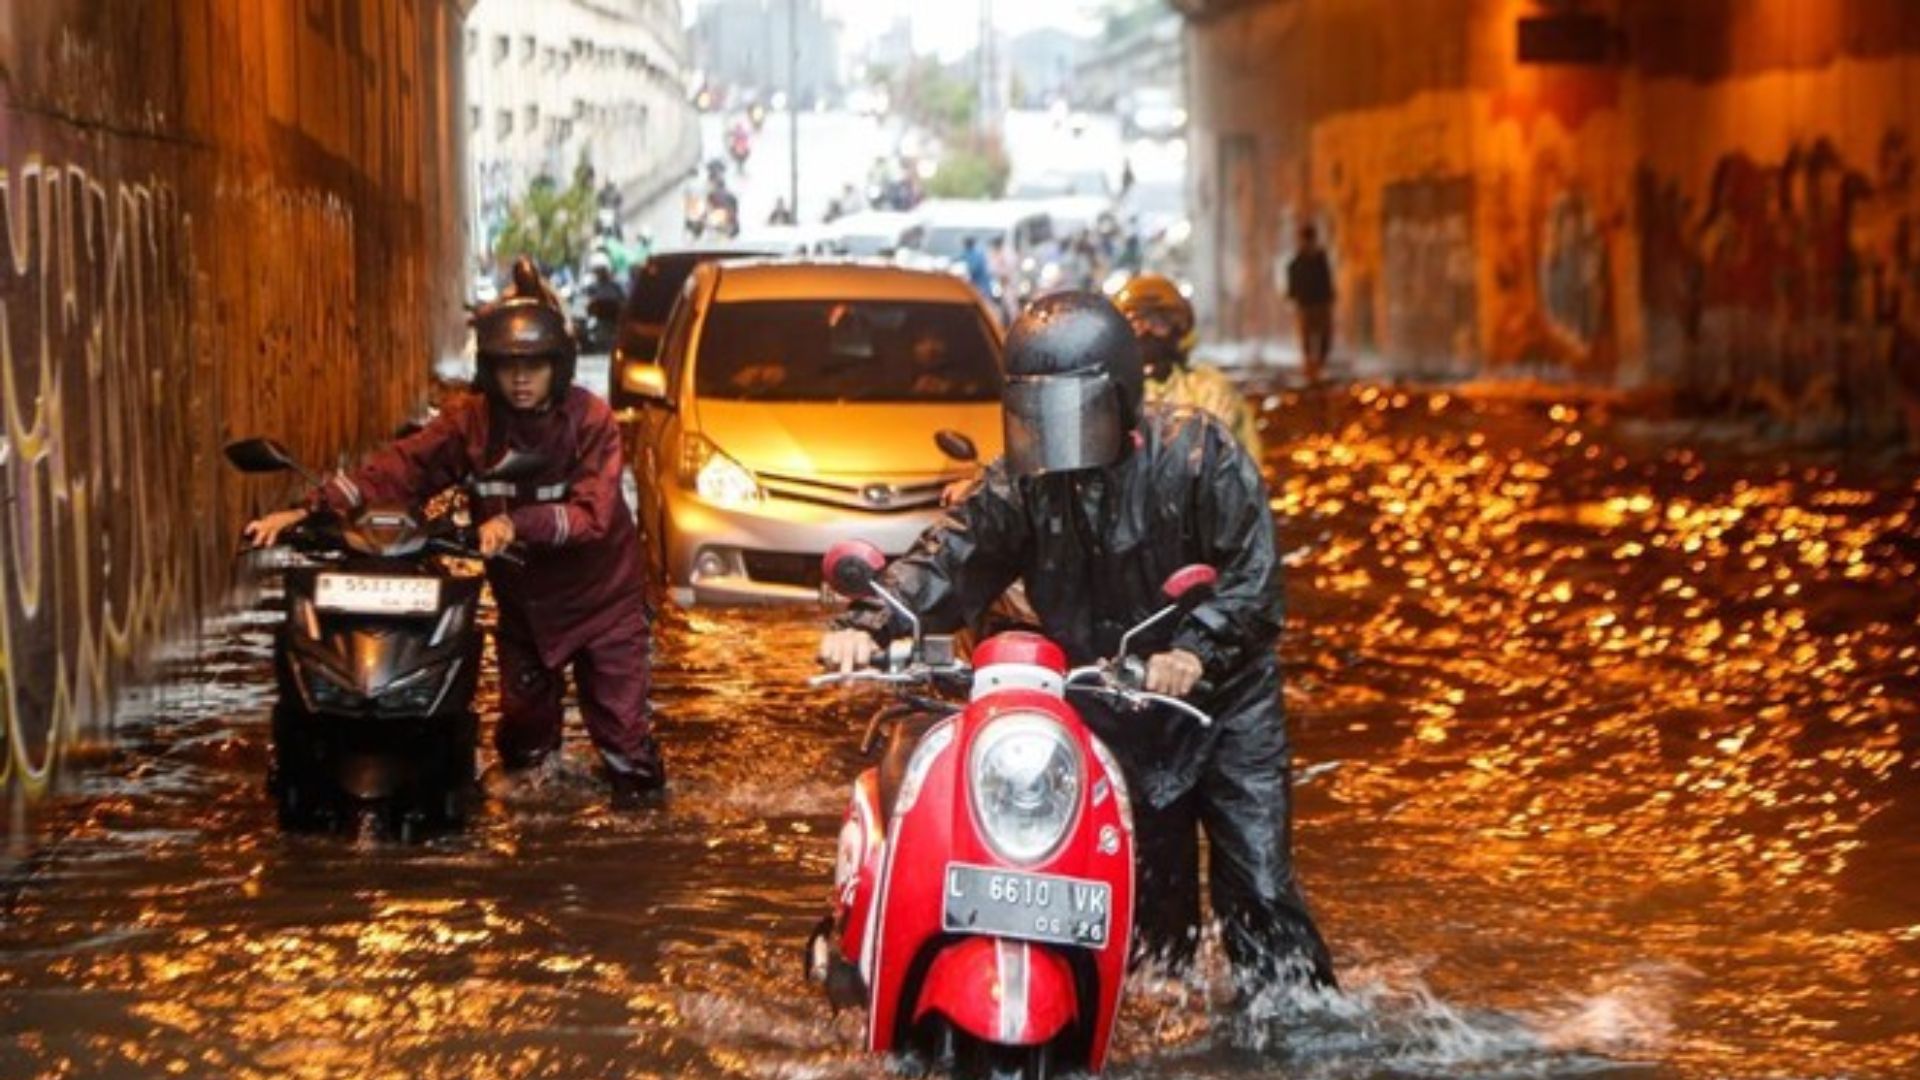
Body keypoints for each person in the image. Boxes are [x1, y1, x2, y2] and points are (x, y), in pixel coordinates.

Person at [818, 292, 1336, 999]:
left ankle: (1297, 1031)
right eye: (1037, 417)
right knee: (1147, 919)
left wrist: (1195, 650)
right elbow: (950, 556)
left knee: (1261, 890)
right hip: (1112, 707)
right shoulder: (1021, 485)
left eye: (1073, 415)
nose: (1054, 437)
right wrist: (870, 623)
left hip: (1222, 710)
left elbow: (1255, 582)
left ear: (1122, 400)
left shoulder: (1202, 456)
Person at [245, 281, 667, 808]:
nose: (520, 380)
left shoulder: (590, 422)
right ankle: (535, 854)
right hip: (525, 611)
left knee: (624, 743)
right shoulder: (471, 423)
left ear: (557, 367)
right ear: (488, 371)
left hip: (602, 605)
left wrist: (516, 524)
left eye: (533, 366)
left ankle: (644, 831)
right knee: (525, 745)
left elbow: (593, 515)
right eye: (507, 367)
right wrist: (311, 508)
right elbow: (402, 468)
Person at [1115, 272, 1262, 460]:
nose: (1147, 331)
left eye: (1158, 322)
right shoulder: (1108, 393)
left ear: (1179, 328)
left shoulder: (1209, 388)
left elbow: (1239, 466)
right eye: (1136, 322)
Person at [1286, 224, 1336, 385]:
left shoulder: (1321, 260)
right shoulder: (1296, 262)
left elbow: (1327, 280)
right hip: (1306, 305)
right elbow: (1292, 286)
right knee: (1307, 337)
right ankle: (1310, 365)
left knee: (1324, 337)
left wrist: (1329, 298)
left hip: (1321, 303)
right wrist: (1294, 296)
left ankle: (1318, 365)